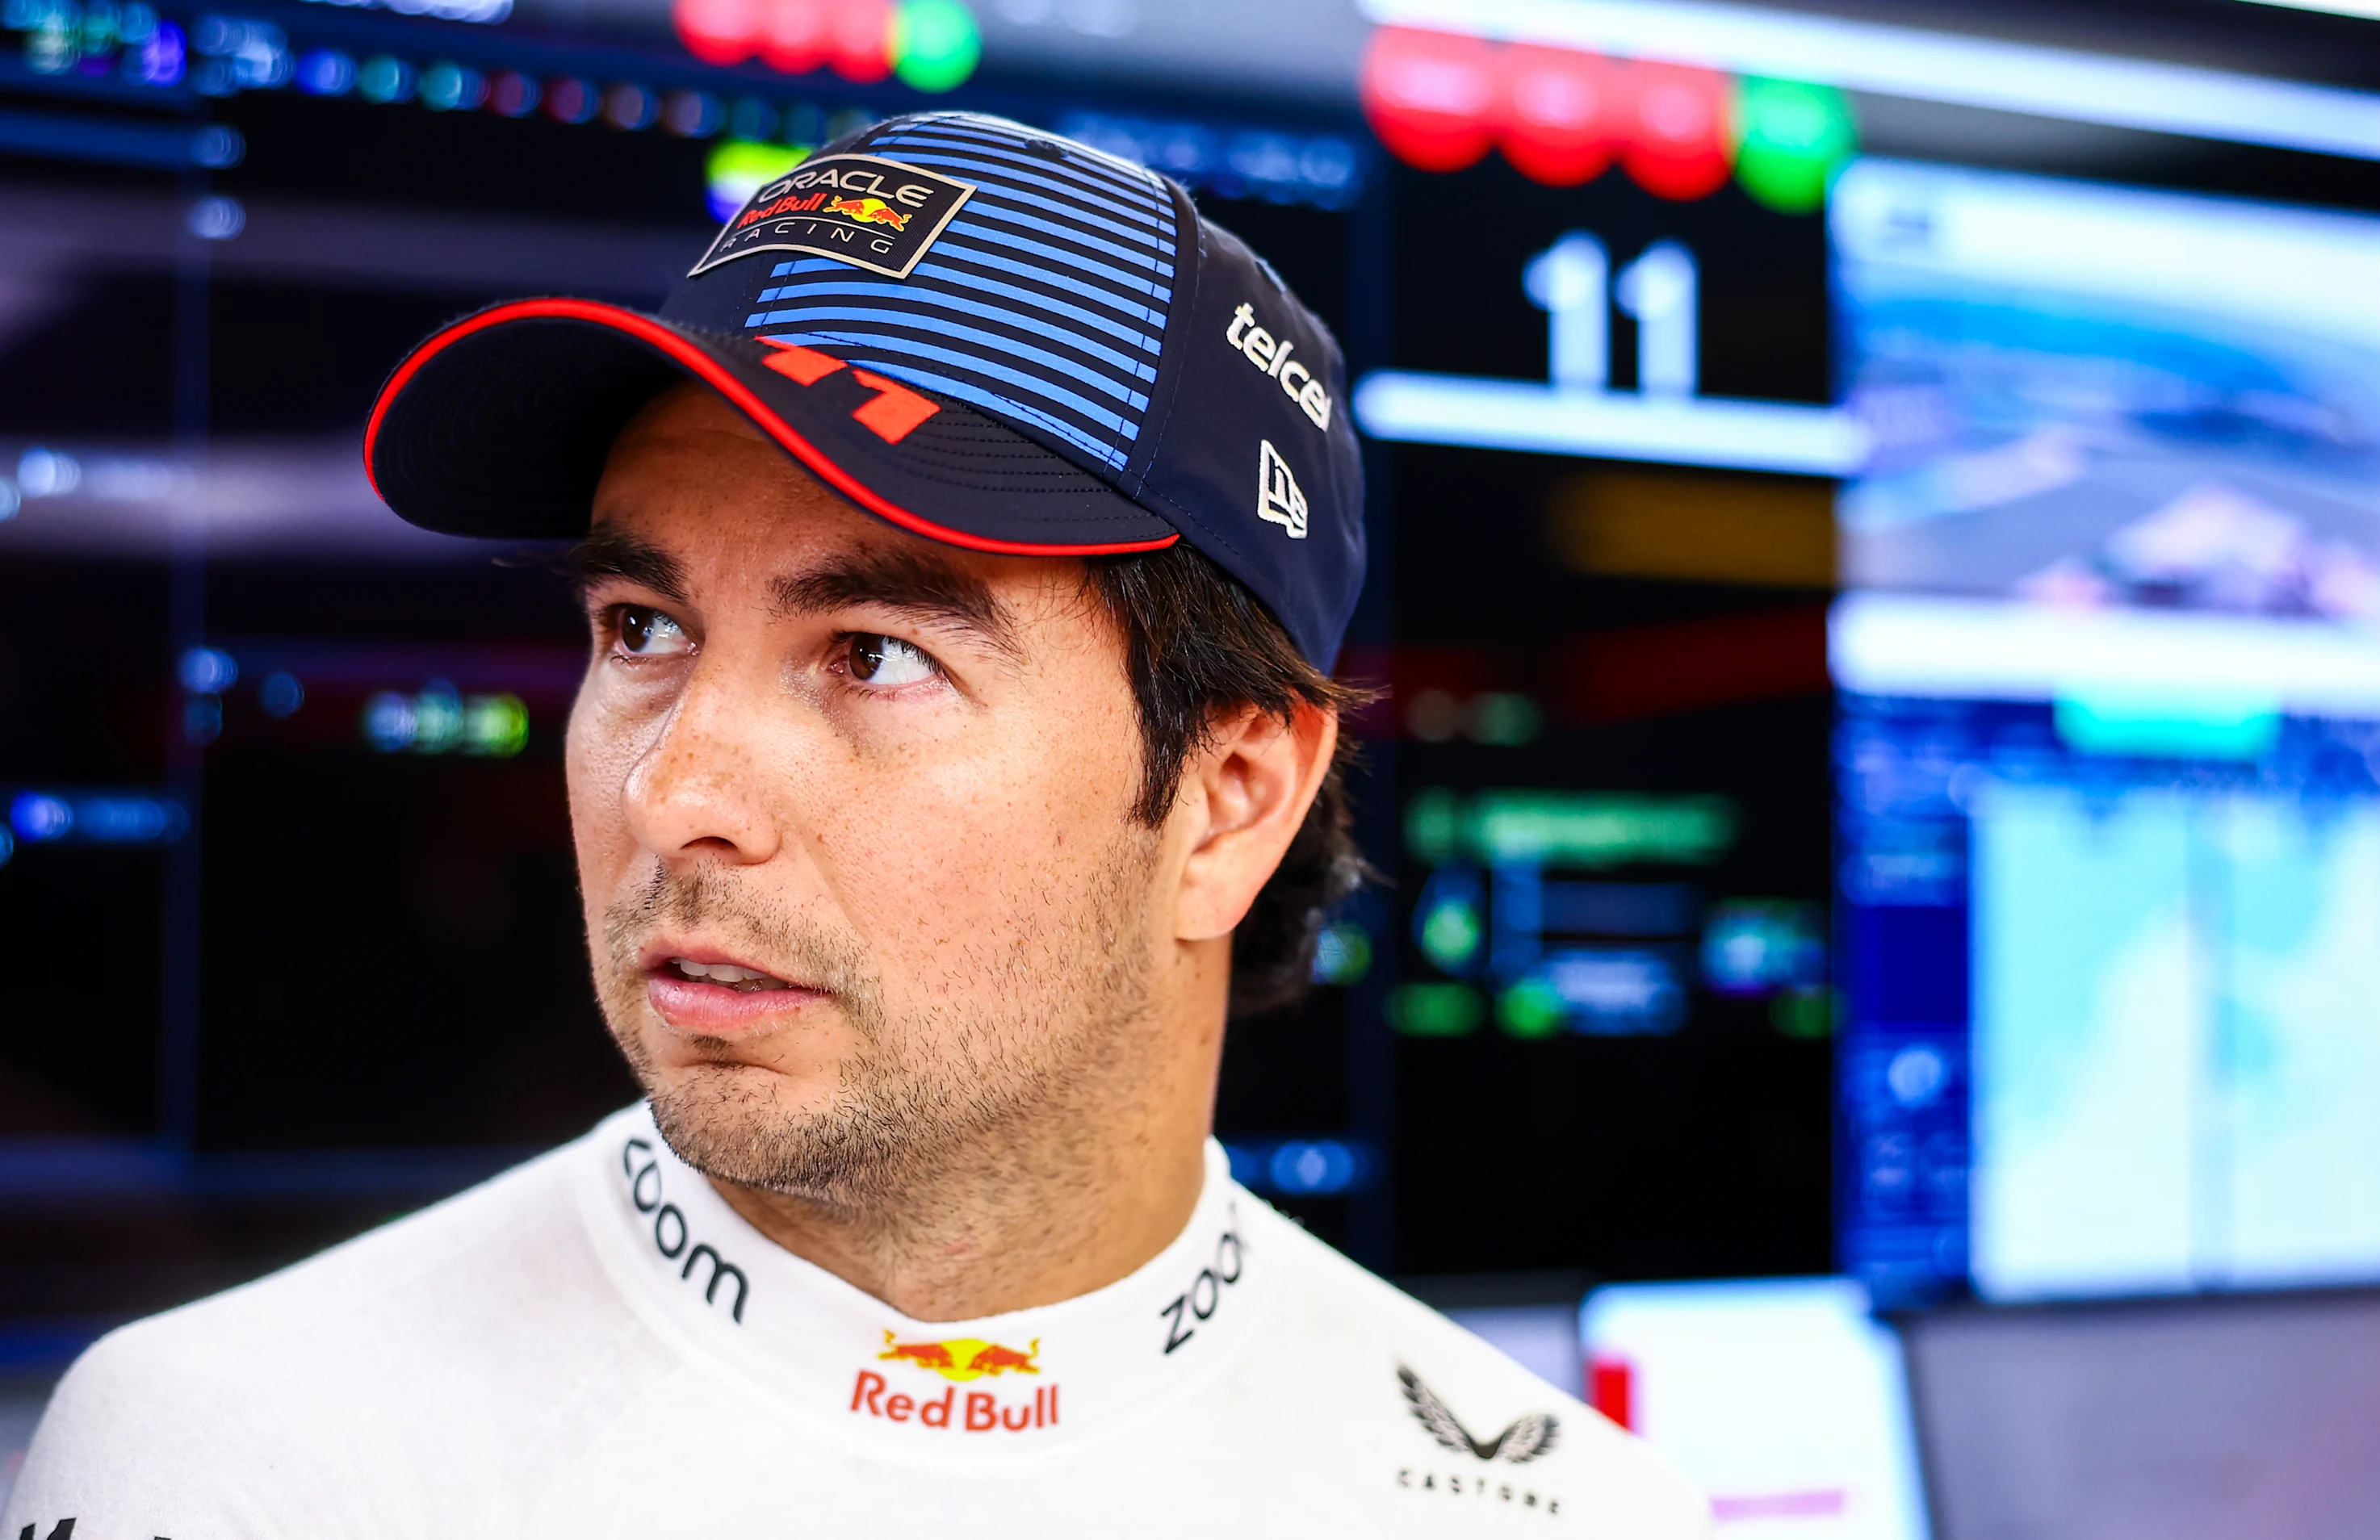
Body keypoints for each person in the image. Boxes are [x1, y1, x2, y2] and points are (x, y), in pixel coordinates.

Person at [3, 112, 1708, 1536]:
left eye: (873, 655)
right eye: (641, 632)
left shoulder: (1571, 1516)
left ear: (1227, 802)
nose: (675, 790)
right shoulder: (225, 1461)